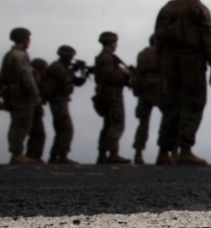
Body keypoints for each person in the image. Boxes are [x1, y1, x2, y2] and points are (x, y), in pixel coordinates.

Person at [153, 0, 211, 166]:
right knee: (193, 102)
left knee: (171, 104)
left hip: (169, 62)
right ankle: (185, 150)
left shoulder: (168, 8)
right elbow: (208, 38)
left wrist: (160, 64)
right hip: (192, 62)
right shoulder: (198, 9)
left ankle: (164, 151)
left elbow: (158, 40)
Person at [0, 27, 41, 164]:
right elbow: (26, 76)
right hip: (21, 95)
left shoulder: (10, 54)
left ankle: (16, 152)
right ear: (25, 40)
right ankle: (17, 153)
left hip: (12, 93)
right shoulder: (20, 55)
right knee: (21, 124)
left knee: (17, 123)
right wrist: (35, 94)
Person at [44, 45, 89, 165]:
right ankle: (61, 155)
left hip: (61, 99)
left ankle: (55, 155)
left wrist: (84, 73)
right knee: (66, 128)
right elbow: (65, 79)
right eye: (70, 56)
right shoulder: (57, 67)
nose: (71, 58)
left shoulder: (64, 67)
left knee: (61, 129)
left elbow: (77, 82)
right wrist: (73, 70)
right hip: (57, 99)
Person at [93, 31, 131, 164]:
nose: (116, 45)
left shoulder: (104, 57)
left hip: (107, 94)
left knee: (108, 124)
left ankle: (103, 154)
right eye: (115, 42)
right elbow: (110, 76)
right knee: (117, 122)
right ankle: (113, 153)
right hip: (112, 94)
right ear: (111, 43)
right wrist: (124, 74)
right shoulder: (106, 58)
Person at [130, 36, 163, 165]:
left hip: (144, 89)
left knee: (143, 124)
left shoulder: (142, 54)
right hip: (161, 88)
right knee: (168, 121)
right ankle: (166, 152)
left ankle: (138, 152)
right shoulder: (162, 53)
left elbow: (138, 72)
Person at [26, 57, 49, 162]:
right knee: (38, 133)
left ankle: (32, 155)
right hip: (32, 108)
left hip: (33, 108)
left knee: (35, 134)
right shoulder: (34, 77)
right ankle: (34, 156)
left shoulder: (36, 77)